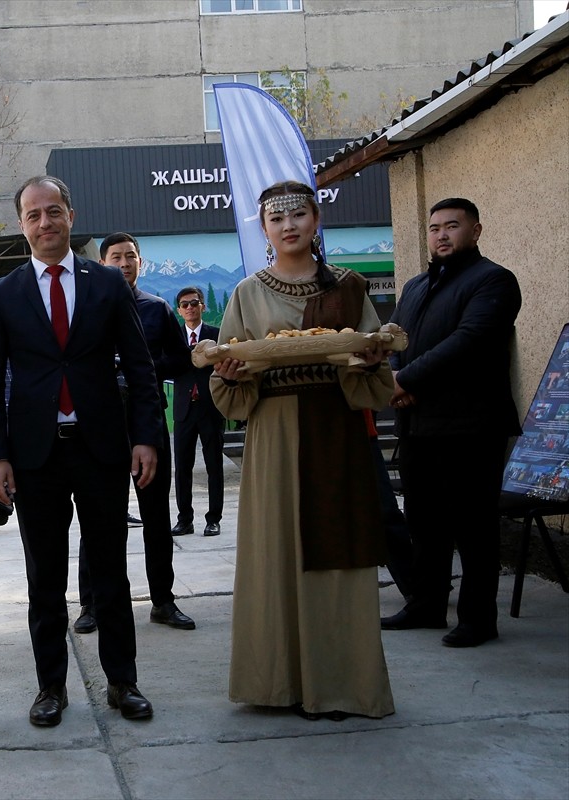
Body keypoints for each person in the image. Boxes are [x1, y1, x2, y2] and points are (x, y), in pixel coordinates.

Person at [0, 177, 163, 727]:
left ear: (71, 217)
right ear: (21, 225)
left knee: (111, 572)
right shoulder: (3, 294)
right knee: (46, 578)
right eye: (33, 215)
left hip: (101, 447)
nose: (44, 223)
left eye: (53, 211)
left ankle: (122, 682)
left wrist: (146, 436)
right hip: (35, 456)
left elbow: (140, 368)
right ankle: (50, 687)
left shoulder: (107, 284)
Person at [211, 181, 394, 721]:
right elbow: (230, 380)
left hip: (335, 432)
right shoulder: (247, 292)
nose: (288, 225)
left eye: (298, 214)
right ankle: (276, 683)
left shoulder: (350, 287)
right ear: (263, 229)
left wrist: (367, 361)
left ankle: (341, 685)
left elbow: (373, 357)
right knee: (275, 553)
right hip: (273, 435)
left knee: (339, 554)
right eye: (275, 218)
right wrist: (231, 372)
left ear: (316, 220)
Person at [381, 198, 522, 648]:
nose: (441, 235)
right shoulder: (416, 286)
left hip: (471, 425)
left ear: (476, 231)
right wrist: (394, 376)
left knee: (473, 525)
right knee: (423, 521)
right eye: (435, 227)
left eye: (452, 226)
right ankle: (426, 605)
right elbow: (395, 339)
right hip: (417, 422)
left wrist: (406, 377)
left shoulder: (493, 280)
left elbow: (471, 341)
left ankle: (478, 619)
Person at [74, 232, 195, 636]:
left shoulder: (158, 309)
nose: (124, 264)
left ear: (140, 263)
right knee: (98, 518)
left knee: (156, 515)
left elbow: (181, 359)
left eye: (131, 257)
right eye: (116, 257)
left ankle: (163, 599)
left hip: (147, 421)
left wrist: (140, 368)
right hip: (100, 424)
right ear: (103, 263)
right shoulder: (88, 307)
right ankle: (90, 605)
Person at [171, 286, 226, 537]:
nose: (190, 308)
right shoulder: (174, 339)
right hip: (184, 410)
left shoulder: (216, 335)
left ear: (202, 306)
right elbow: (166, 366)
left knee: (214, 465)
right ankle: (185, 519)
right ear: (179, 310)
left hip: (211, 407)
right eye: (185, 304)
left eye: (194, 303)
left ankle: (213, 518)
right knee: (183, 467)